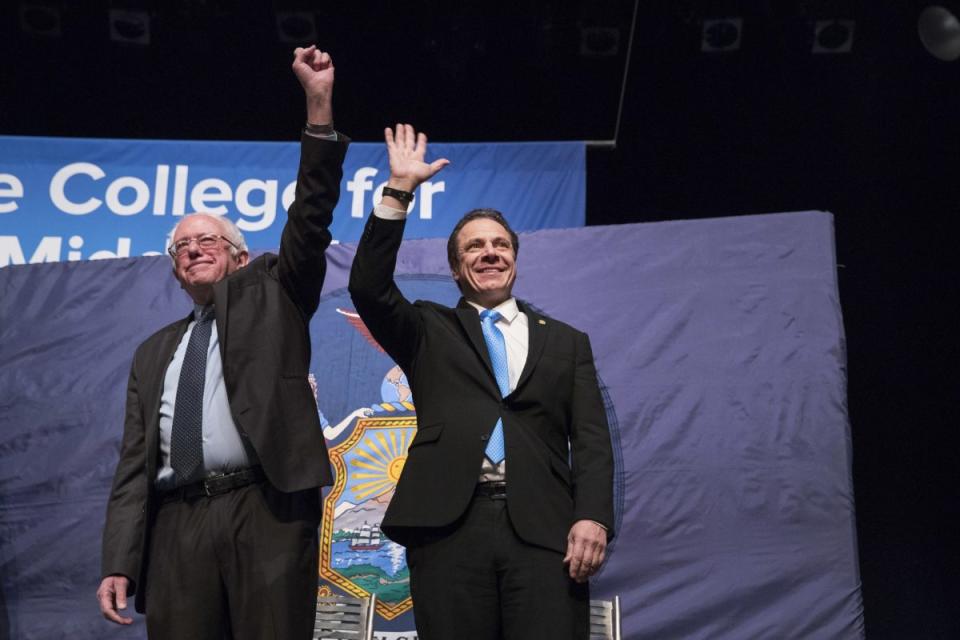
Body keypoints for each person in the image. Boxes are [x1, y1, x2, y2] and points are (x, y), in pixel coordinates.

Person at [96, 45, 348, 639]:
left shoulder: (275, 292)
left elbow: (311, 214)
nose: (193, 250)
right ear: (175, 270)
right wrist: (119, 559)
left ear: (238, 256)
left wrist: (317, 103)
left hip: (264, 511)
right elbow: (134, 466)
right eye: (181, 248)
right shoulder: (154, 351)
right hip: (177, 525)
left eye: (207, 240)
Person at [348, 124, 615, 640]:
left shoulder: (566, 342)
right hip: (449, 527)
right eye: (474, 247)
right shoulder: (427, 328)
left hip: (545, 531)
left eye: (500, 245)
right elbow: (368, 286)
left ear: (514, 259)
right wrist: (399, 190)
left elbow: (592, 442)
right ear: (455, 267)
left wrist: (594, 518)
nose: (489, 253)